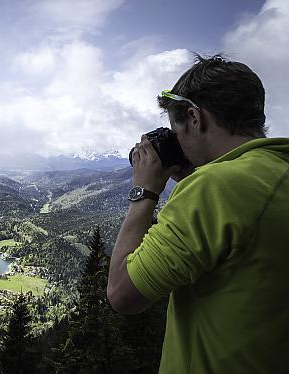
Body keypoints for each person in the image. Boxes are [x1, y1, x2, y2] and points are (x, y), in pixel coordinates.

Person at [107, 54, 289, 373]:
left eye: (176, 129)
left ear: (194, 118)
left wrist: (145, 191)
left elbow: (123, 295)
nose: (177, 140)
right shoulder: (276, 172)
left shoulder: (214, 188)